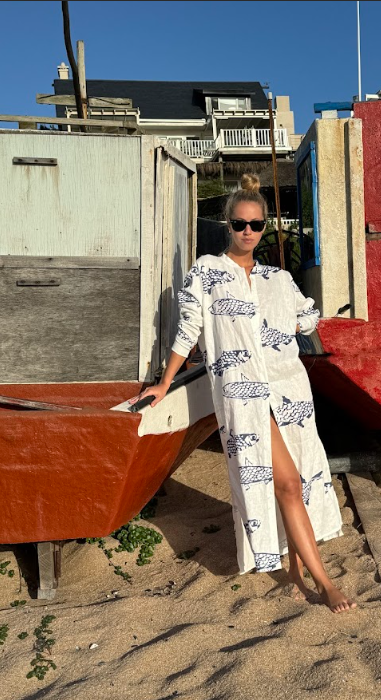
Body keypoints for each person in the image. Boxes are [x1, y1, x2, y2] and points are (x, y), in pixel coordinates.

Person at [134, 174, 356, 613]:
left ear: (264, 227)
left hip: (289, 390)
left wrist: (286, 325)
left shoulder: (279, 278)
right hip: (244, 395)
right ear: (227, 224)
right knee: (288, 483)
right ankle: (325, 581)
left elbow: (306, 318)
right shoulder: (207, 272)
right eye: (239, 224)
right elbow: (189, 331)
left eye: (256, 225)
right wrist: (164, 382)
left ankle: (295, 569)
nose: (248, 232)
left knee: (298, 480)